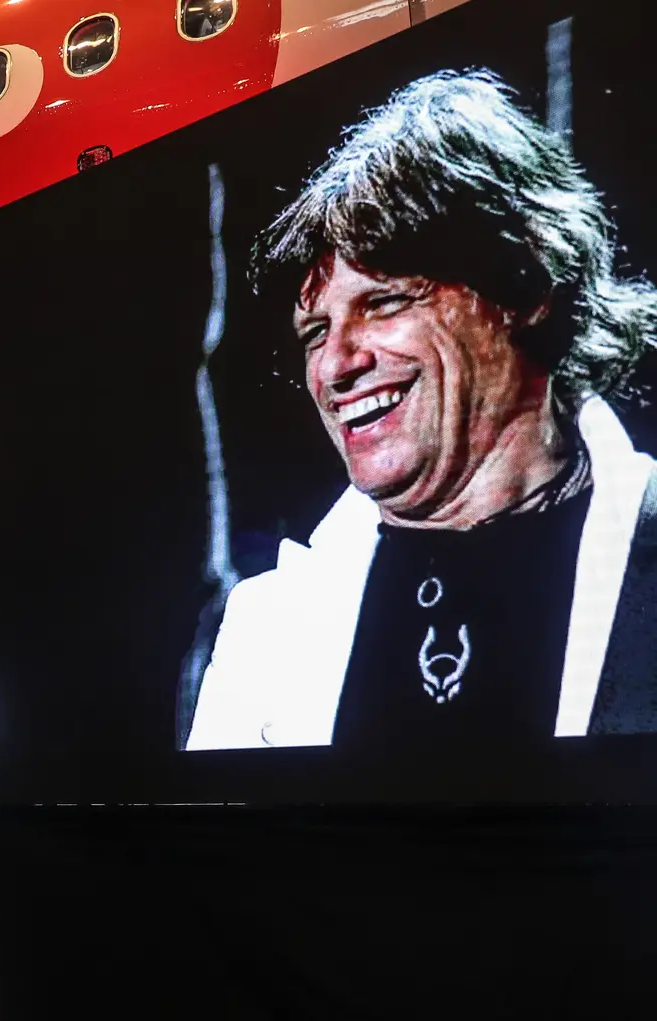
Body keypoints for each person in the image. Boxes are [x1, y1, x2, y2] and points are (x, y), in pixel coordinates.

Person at [186, 71, 657, 752]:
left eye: (382, 302)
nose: (336, 364)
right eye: (315, 333)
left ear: (524, 285)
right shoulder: (266, 626)